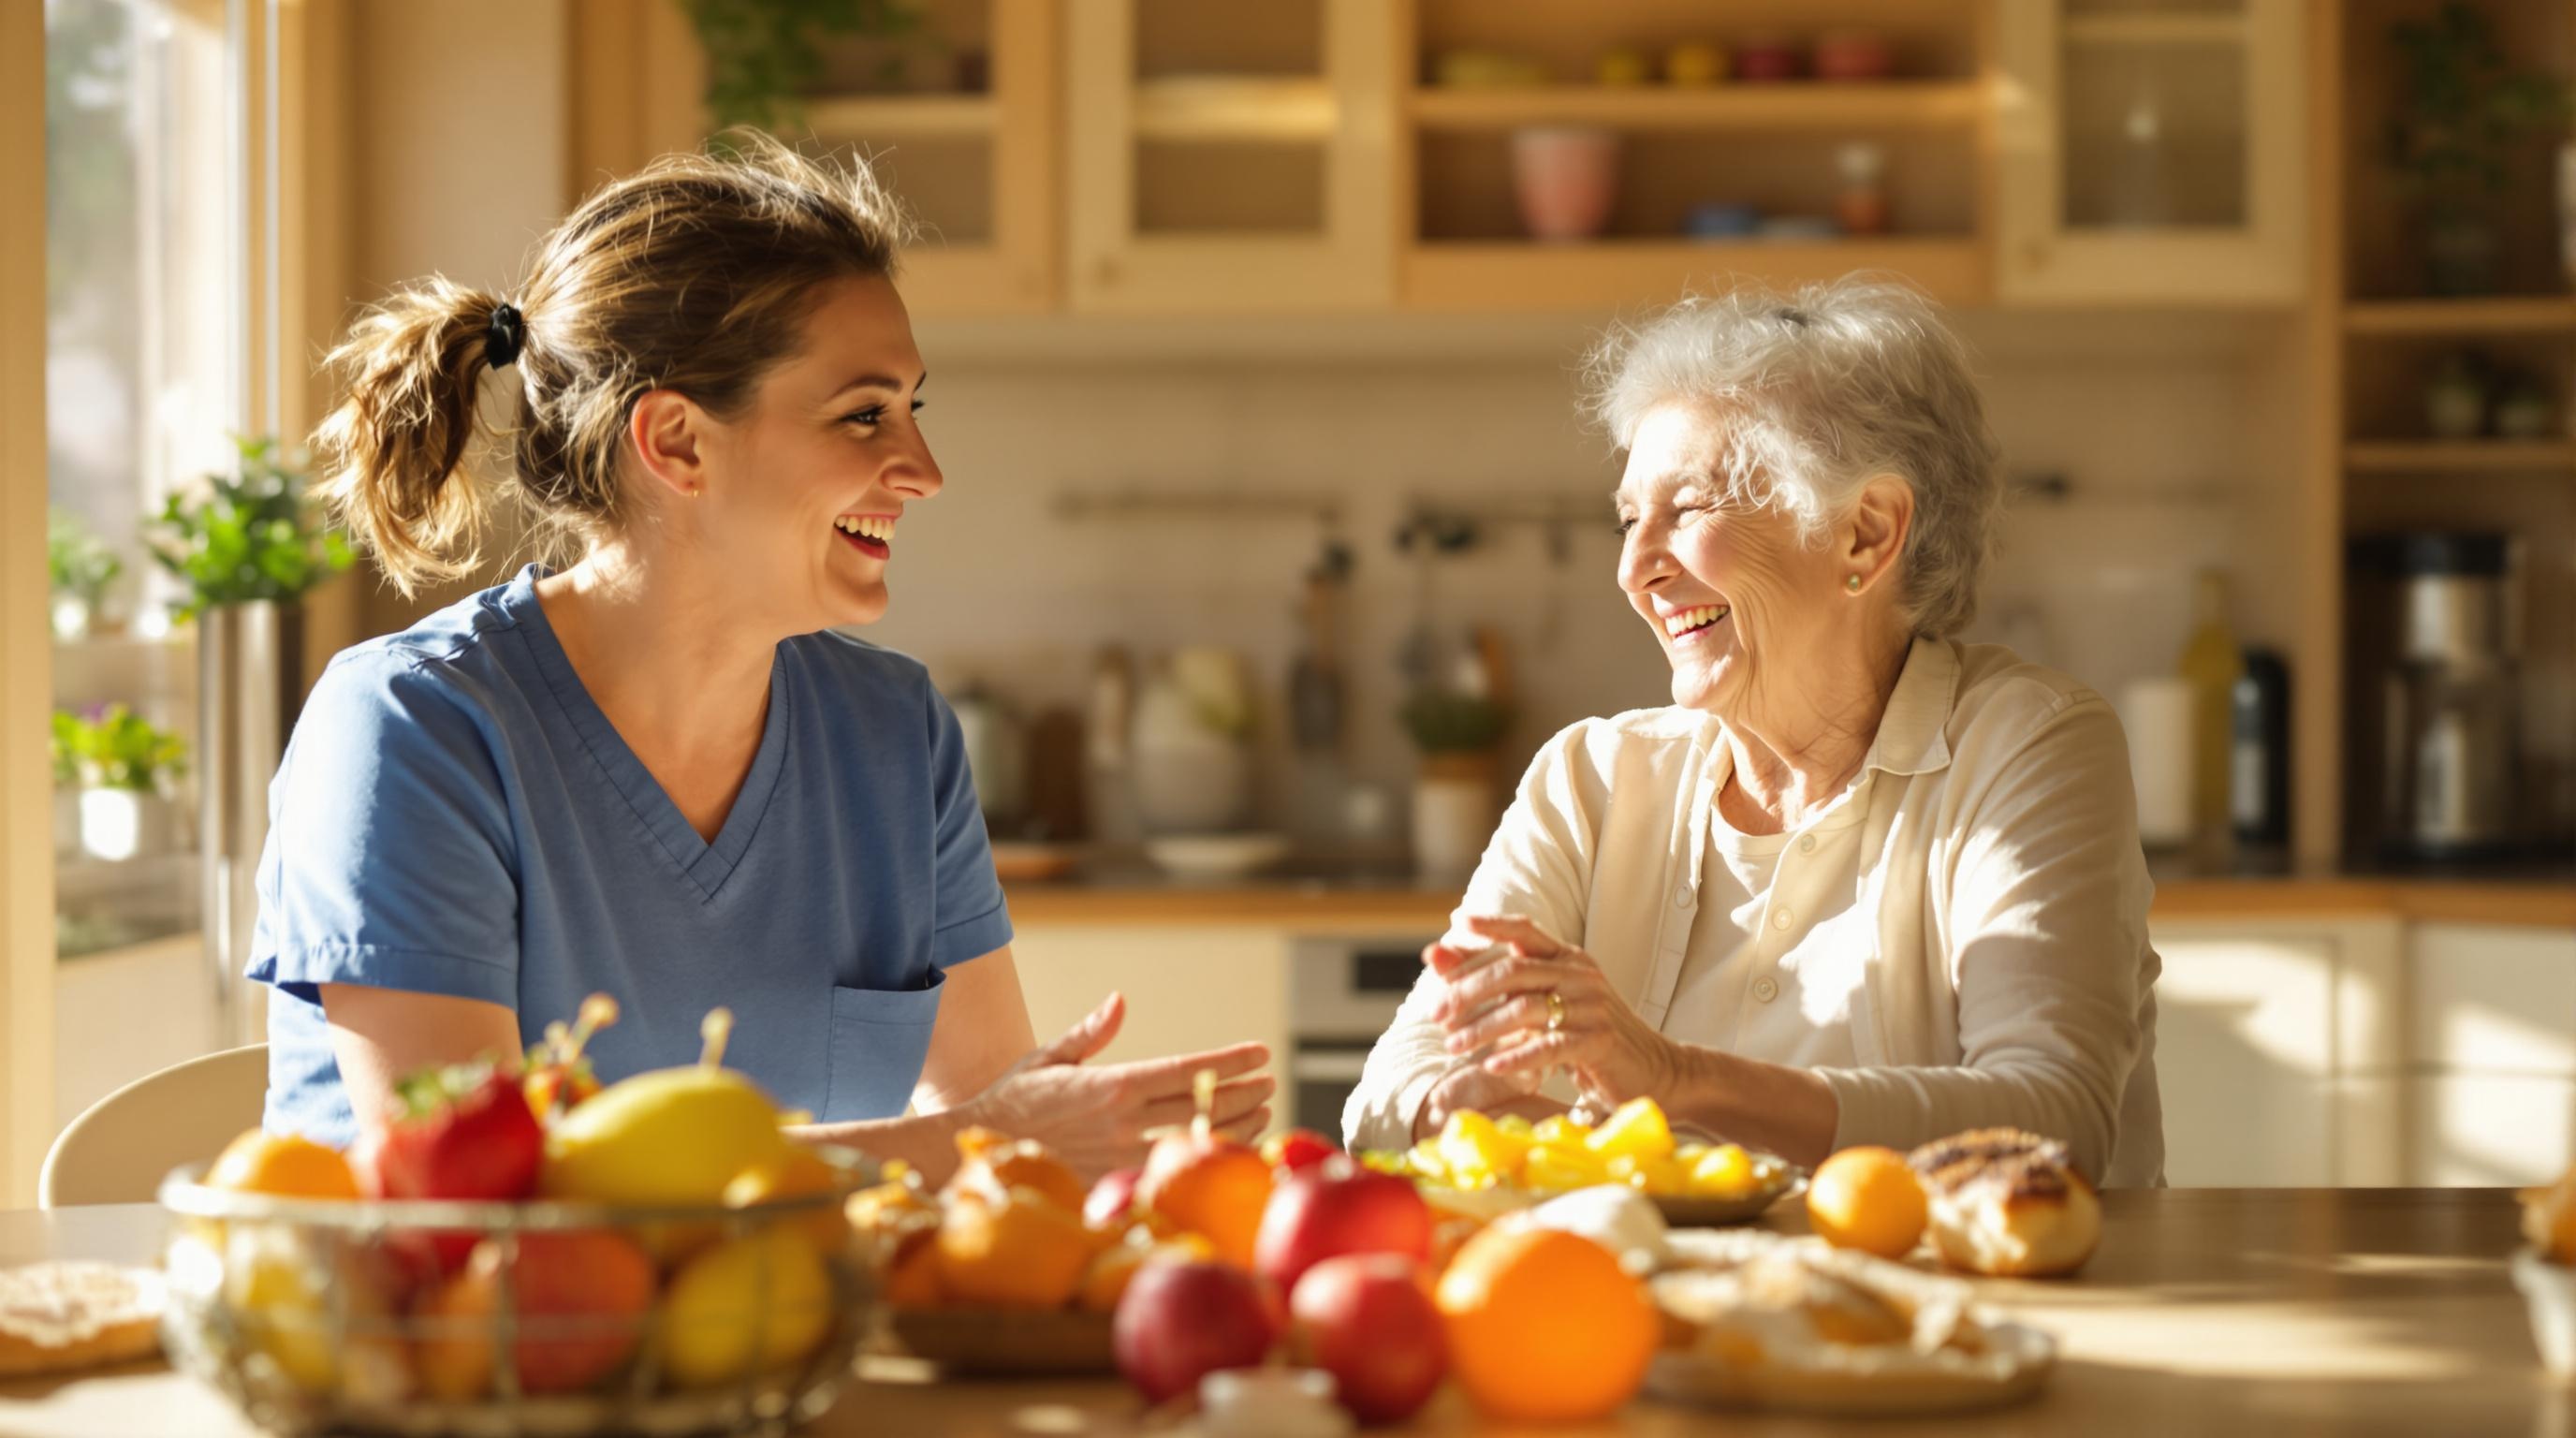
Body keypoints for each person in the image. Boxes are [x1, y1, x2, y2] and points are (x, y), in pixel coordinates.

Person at [252, 137, 1267, 1182]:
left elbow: (992, 1162)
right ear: (678, 443)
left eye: (911, 410)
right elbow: (473, 1195)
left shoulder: (896, 737)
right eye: (862, 414)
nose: (922, 470)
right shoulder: (410, 729)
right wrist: (981, 1142)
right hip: (447, 1341)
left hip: (787, 1338)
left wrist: (1068, 1148)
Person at [1344, 279, 2162, 1186]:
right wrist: (1481, 1115)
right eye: (1627, 520)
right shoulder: (1593, 778)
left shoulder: (2028, 744)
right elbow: (1386, 1092)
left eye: (1687, 509)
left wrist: (1673, 1079)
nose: (1633, 570)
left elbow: (2053, 1120)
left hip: (1973, 1312)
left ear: (1865, 532)